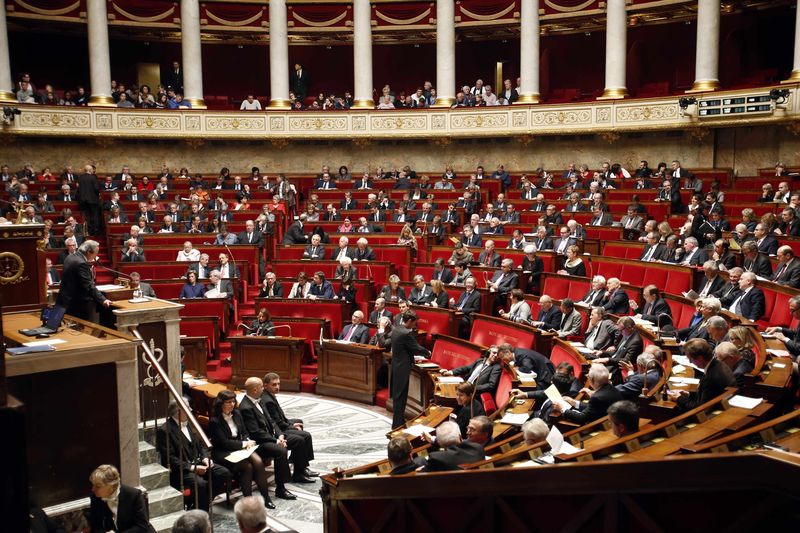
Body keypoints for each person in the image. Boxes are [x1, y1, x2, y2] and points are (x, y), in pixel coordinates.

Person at [207, 390, 282, 509]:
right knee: (247, 466)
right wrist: (244, 444)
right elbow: (224, 443)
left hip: (239, 447)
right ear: (221, 403)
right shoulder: (214, 421)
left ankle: (266, 498)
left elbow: (244, 431)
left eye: (233, 401)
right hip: (223, 452)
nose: (232, 404)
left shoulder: (236, 413)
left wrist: (247, 441)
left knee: (257, 461)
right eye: (228, 402)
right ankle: (248, 502)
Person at [156, 401, 231, 511]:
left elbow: (201, 446)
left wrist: (205, 458)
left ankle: (200, 504)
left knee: (223, 473)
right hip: (182, 469)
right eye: (188, 407)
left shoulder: (190, 423)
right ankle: (203, 511)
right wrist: (192, 468)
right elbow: (170, 458)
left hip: (198, 462)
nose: (191, 409)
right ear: (178, 411)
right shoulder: (164, 431)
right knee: (201, 484)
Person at [261, 373, 318, 480]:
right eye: (274, 385)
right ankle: (300, 470)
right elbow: (277, 423)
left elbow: (280, 418)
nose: (277, 387)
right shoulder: (267, 400)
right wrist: (292, 427)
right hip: (278, 430)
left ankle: (297, 460)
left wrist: (292, 424)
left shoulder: (269, 394)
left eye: (278, 384)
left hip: (281, 424)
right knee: (305, 435)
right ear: (265, 385)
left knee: (299, 421)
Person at [667, 338, 737, 412]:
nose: (690, 362)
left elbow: (700, 408)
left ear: (700, 358)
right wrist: (688, 394)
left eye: (690, 359)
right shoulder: (718, 364)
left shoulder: (712, 377)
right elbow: (707, 396)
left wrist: (679, 398)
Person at [390, 310, 431, 428]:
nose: (415, 326)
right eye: (414, 323)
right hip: (402, 368)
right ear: (409, 321)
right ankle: (397, 424)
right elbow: (416, 348)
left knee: (398, 396)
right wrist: (427, 352)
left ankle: (399, 420)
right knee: (401, 397)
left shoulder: (396, 328)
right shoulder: (406, 333)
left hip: (396, 365)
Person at [56, 240, 112, 322]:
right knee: (81, 330)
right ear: (89, 252)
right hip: (77, 304)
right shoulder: (81, 263)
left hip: (66, 300)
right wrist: (103, 300)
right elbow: (88, 285)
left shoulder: (71, 257)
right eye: (96, 253)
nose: (96, 256)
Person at [88, 464, 154, 532]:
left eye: (98, 486)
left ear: (110, 486)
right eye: (93, 485)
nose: (93, 489)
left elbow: (141, 527)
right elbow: (95, 526)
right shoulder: (95, 497)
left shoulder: (133, 495)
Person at [553, 363, 623, 425]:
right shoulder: (611, 388)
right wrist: (574, 402)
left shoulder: (597, 397)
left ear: (591, 380)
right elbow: (594, 408)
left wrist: (562, 409)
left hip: (599, 425)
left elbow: (582, 418)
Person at [77, 164, 101, 235]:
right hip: (93, 200)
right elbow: (96, 188)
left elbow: (79, 189)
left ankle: (88, 231)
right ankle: (95, 231)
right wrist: (98, 195)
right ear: (90, 170)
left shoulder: (80, 178)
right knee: (94, 216)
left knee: (86, 216)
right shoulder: (93, 177)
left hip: (83, 200)